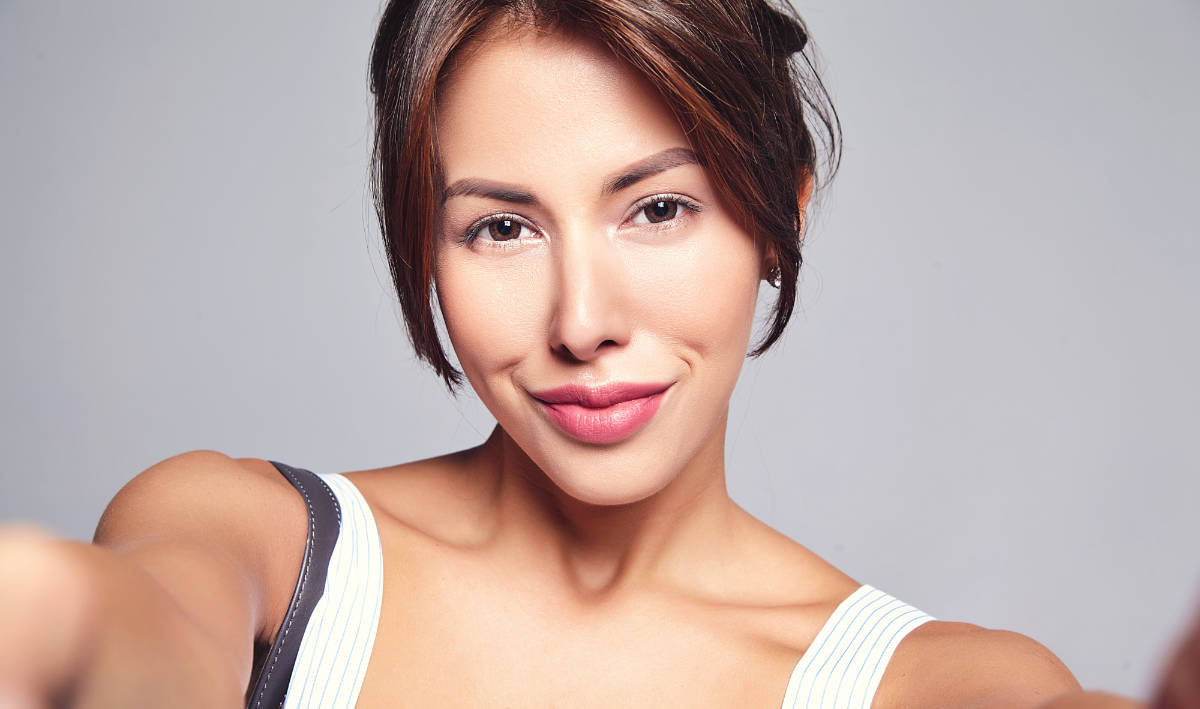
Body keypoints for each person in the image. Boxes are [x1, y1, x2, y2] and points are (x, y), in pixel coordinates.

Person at [0, 0, 1159, 707]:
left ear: (779, 215)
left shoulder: (919, 682)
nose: (581, 318)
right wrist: (53, 625)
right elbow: (136, 630)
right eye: (501, 226)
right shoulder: (261, 544)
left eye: (657, 209)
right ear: (425, 247)